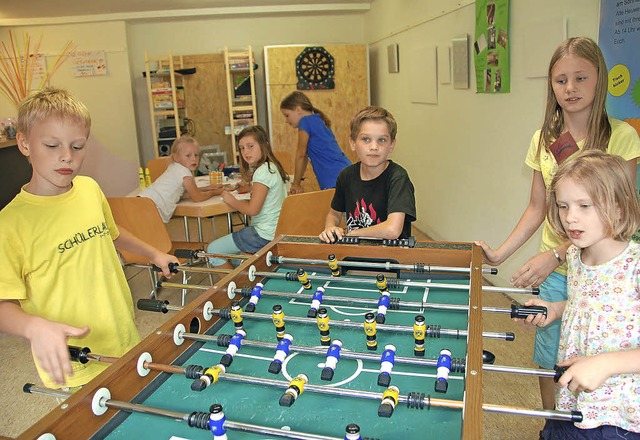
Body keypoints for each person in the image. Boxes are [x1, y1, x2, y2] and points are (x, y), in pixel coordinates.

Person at [474, 37, 640, 409]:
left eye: (581, 78)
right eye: (561, 80)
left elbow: (622, 216)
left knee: (599, 355)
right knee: (549, 359)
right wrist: (499, 254)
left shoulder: (623, 137)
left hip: (603, 271)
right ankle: (555, 425)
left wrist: (556, 255)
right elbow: (537, 206)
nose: (571, 88)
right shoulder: (544, 139)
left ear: (600, 79)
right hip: (558, 275)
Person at [0, 87, 178, 389]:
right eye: (52, 145)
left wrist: (154, 254)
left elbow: (112, 233)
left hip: (121, 334)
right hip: (76, 360)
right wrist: (34, 327)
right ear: (24, 143)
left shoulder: (88, 189)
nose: (67, 156)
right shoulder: (10, 224)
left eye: (78, 146)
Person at [522, 151, 640, 438]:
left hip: (617, 415)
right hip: (572, 398)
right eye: (563, 206)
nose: (570, 218)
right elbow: (587, 302)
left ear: (619, 208)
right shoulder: (574, 257)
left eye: (584, 205)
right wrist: (556, 309)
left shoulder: (635, 267)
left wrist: (605, 363)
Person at [319, 106, 416, 243]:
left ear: (392, 145)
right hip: (355, 255)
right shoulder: (346, 176)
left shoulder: (398, 178)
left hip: (390, 259)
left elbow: (392, 230)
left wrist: (352, 233)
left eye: (381, 140)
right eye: (366, 139)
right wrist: (330, 228)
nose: (374, 147)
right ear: (353, 143)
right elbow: (334, 214)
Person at [207, 125, 288, 266]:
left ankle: (231, 287)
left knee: (213, 250)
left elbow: (252, 210)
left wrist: (231, 200)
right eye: (242, 148)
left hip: (263, 235)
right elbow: (267, 189)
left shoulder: (262, 172)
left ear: (264, 145)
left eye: (250, 146)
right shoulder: (271, 167)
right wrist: (251, 187)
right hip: (276, 230)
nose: (246, 152)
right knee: (236, 258)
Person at [280, 91, 351, 194]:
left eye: (287, 115)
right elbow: (303, 157)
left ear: (298, 109)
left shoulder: (305, 122)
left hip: (335, 177)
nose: (286, 120)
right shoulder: (317, 120)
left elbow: (300, 154)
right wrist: (297, 182)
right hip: (344, 172)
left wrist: (295, 184)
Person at [140, 135, 223, 223]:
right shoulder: (185, 174)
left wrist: (208, 188)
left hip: (141, 201)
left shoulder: (174, 168)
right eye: (188, 156)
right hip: (149, 209)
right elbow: (197, 197)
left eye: (196, 155)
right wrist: (214, 192)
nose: (194, 159)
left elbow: (184, 193)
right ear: (176, 157)